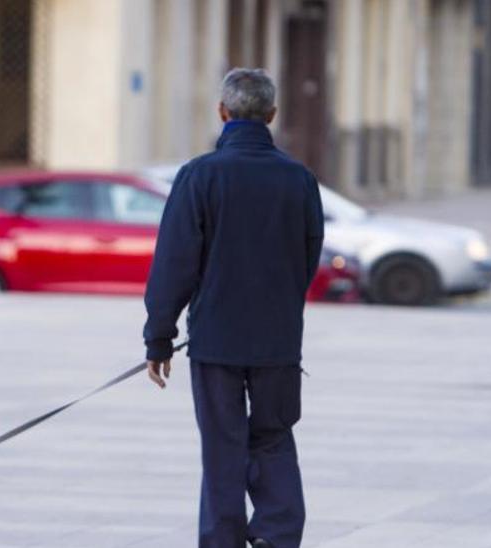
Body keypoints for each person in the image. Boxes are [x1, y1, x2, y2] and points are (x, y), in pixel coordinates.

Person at [142, 68, 323, 548]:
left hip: (216, 342)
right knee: (274, 438)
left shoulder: (199, 176)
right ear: (272, 115)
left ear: (222, 113)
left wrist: (158, 337)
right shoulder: (299, 180)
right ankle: (277, 536)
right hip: (278, 342)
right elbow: (308, 258)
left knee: (222, 447)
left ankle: (222, 540)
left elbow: (174, 263)